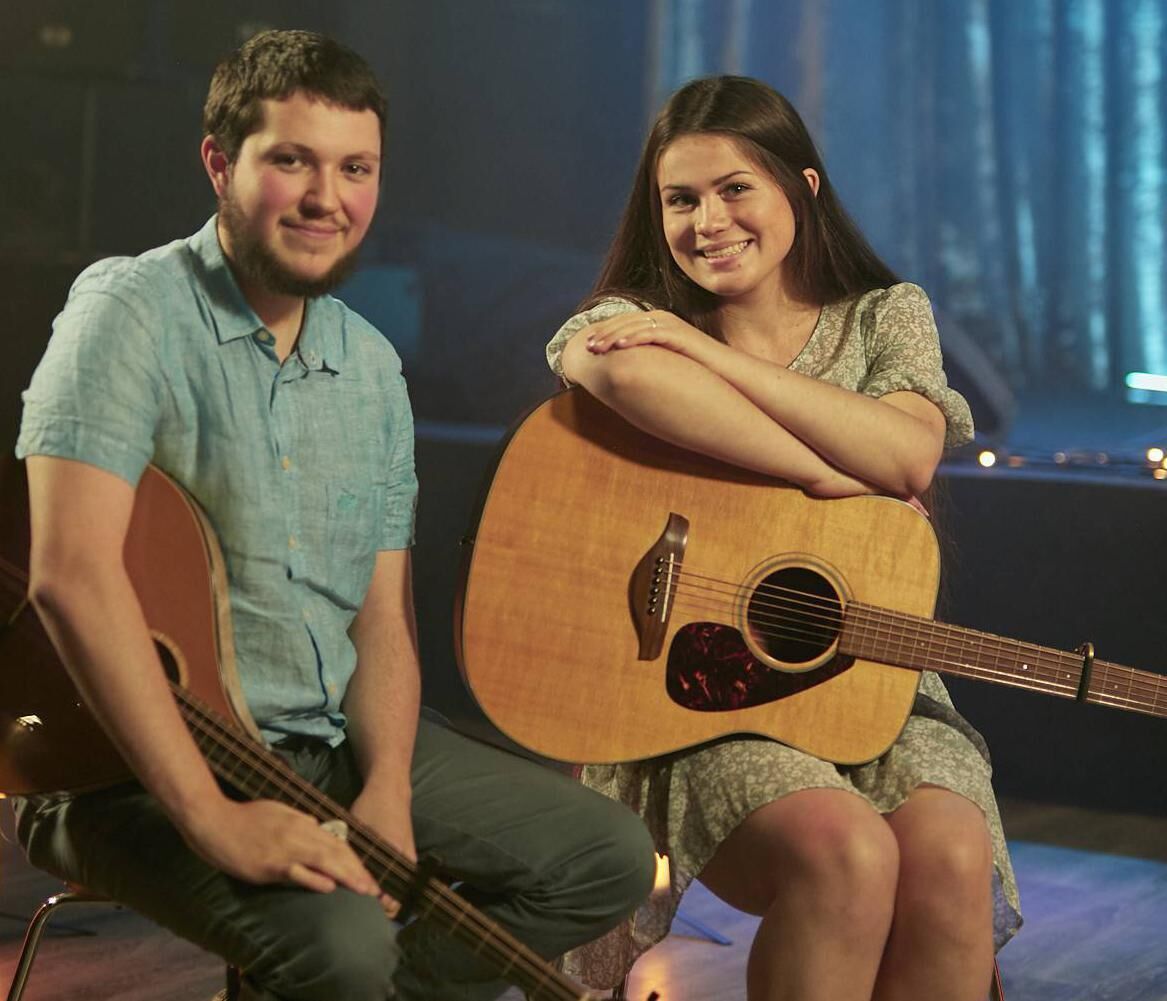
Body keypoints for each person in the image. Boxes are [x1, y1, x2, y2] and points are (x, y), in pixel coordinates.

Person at [13, 29, 655, 1001]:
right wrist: (214, 818)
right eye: (292, 161)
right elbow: (69, 576)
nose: (328, 197)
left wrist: (387, 789)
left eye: (356, 168)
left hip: (325, 742)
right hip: (119, 765)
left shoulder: (371, 367)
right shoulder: (128, 311)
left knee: (604, 856)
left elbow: (380, 619)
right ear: (219, 163)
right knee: (345, 945)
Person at [545, 76, 1021, 1001]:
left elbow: (907, 453)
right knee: (845, 853)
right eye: (680, 199)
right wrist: (823, 471)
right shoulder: (635, 321)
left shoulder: (886, 313)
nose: (707, 222)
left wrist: (707, 355)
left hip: (879, 683)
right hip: (701, 696)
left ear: (801, 186)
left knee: (950, 858)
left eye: (734, 189)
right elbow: (616, 375)